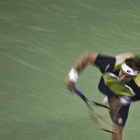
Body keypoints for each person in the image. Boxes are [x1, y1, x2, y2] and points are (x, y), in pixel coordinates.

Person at [65, 51, 140, 140]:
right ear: (120, 69)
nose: (122, 77)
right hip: (106, 85)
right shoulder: (109, 66)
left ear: (134, 77)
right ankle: (111, 97)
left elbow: (136, 96)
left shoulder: (137, 86)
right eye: (122, 73)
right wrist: (72, 77)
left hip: (123, 94)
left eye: (127, 76)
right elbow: (87, 56)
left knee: (116, 130)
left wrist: (122, 101)